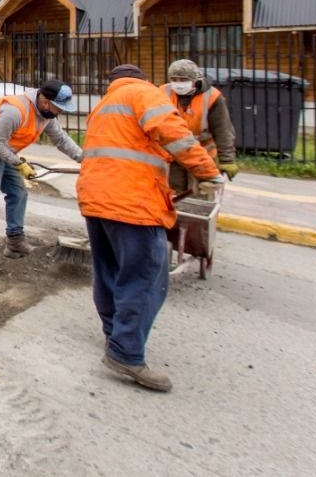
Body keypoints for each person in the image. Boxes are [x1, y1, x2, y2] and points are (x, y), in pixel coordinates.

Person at [77, 64, 220, 393]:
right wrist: (207, 172)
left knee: (108, 270)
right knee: (146, 277)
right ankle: (126, 351)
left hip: (95, 198)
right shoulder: (142, 93)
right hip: (132, 203)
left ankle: (115, 335)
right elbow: (174, 132)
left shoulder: (103, 106)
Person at [0, 78, 83, 279]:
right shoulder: (15, 111)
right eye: (57, 107)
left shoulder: (46, 116)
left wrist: (84, 159)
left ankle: (15, 241)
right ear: (44, 100)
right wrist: (18, 163)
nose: (58, 112)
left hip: (4, 147)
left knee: (18, 192)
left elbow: (61, 139)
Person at [163, 59, 239, 192]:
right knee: (173, 195)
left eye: (183, 79)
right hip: (172, 156)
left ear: (195, 80)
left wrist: (227, 160)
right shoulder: (162, 93)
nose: (178, 83)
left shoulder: (212, 97)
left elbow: (222, 130)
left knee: (202, 194)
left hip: (203, 157)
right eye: (174, 79)